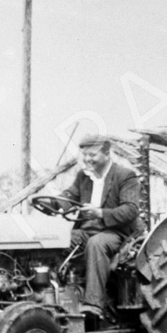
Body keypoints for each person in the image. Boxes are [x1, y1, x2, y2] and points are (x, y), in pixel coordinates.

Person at [61, 135, 140, 323]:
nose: (87, 159)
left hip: (116, 232)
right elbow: (70, 196)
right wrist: (54, 202)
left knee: (97, 244)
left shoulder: (125, 175)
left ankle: (94, 304)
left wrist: (99, 213)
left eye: (92, 155)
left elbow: (130, 210)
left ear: (106, 153)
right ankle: (62, 294)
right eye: (84, 155)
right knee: (61, 241)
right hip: (86, 231)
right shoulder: (83, 176)